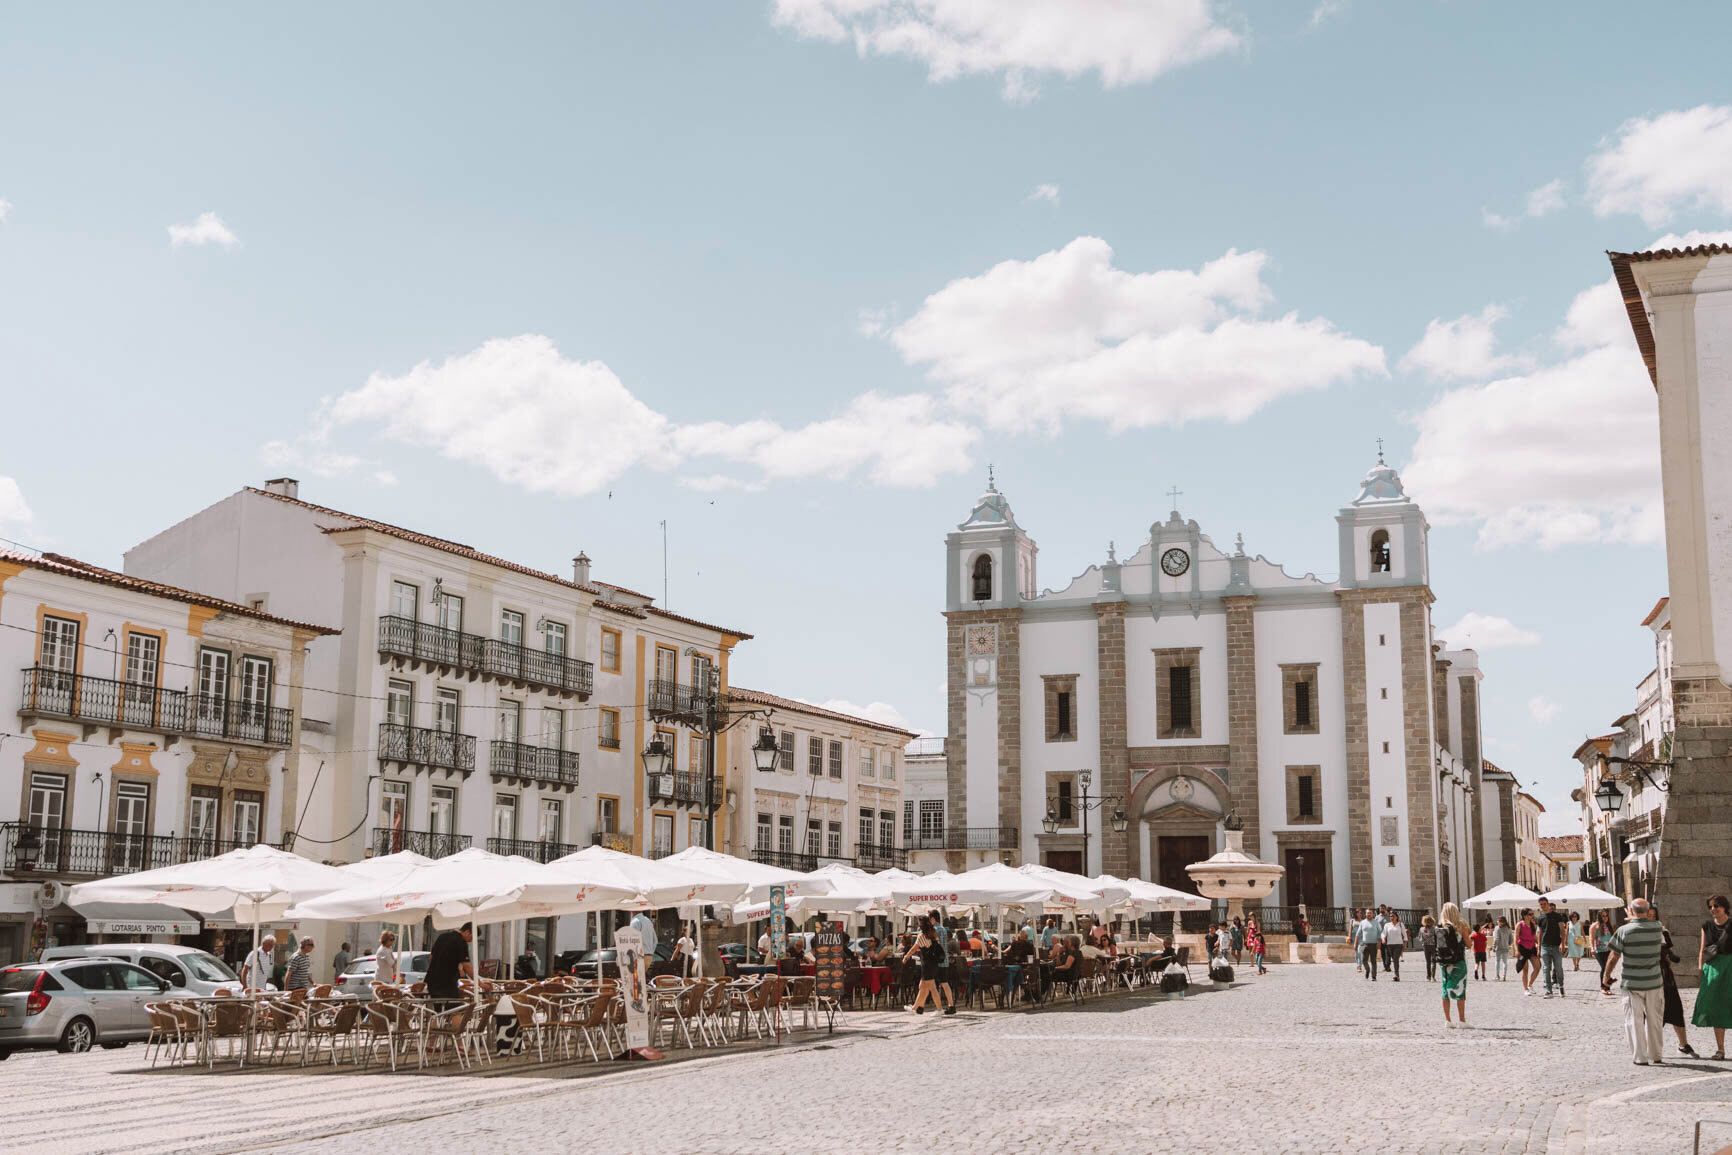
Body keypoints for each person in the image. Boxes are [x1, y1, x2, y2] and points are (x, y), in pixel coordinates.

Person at [1602, 898, 1666, 1065]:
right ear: (1648, 910)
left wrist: (1606, 975)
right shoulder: (1658, 927)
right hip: (1654, 981)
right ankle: (1656, 1054)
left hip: (1632, 983)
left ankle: (1640, 1057)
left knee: (1634, 1020)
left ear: (1631, 911)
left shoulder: (1624, 931)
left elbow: (1613, 955)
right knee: (1655, 1019)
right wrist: (1636, 917)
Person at [1653, 904, 1698, 1059]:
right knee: (1652, 1014)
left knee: (1676, 1008)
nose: (1651, 917)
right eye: (1648, 914)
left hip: (1666, 977)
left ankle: (1683, 1044)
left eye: (1653, 914)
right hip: (1650, 978)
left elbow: (1669, 952)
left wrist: (1669, 956)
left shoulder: (1663, 931)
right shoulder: (1640, 932)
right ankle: (1650, 1046)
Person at [1694, 894, 1732, 1060]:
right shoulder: (1706, 925)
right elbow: (1702, 949)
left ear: (1724, 907)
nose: (1713, 909)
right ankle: (1720, 1049)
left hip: (1730, 966)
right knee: (1716, 1008)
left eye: (1716, 906)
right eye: (1710, 906)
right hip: (1712, 969)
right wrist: (1701, 970)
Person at [903, 917, 953, 1015]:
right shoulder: (933, 932)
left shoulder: (921, 935)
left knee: (932, 988)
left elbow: (914, 949)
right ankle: (915, 1007)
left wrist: (906, 957)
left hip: (927, 965)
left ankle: (939, 1009)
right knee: (922, 986)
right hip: (933, 964)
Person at [1436, 901, 1470, 1027]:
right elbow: (1469, 944)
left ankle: (1448, 1020)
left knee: (1445, 990)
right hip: (1458, 962)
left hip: (1444, 963)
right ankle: (1461, 1020)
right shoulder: (1460, 926)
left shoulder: (1440, 926)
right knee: (1460, 989)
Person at [426, 922, 474, 1009]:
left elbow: (431, 956)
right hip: (447, 983)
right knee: (455, 1011)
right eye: (471, 937)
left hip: (432, 980)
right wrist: (479, 983)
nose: (470, 941)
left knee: (438, 1013)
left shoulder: (442, 936)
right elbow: (466, 966)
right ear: (467, 932)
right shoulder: (461, 942)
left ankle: (437, 1022)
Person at [1537, 897, 1568, 998]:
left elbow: (1562, 930)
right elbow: (1540, 933)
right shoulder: (1540, 918)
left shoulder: (1557, 916)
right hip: (1545, 946)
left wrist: (1562, 944)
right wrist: (1538, 947)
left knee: (1558, 968)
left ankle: (1561, 986)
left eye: (1544, 904)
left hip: (1556, 946)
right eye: (1541, 904)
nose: (1543, 906)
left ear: (1548, 904)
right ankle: (1548, 990)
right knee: (1546, 968)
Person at [1592, 910, 1616, 995]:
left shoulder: (1609, 925)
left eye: (1606, 916)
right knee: (1604, 967)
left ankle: (1607, 987)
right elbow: (1592, 938)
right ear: (1599, 916)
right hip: (1599, 950)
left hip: (1609, 950)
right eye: (1603, 916)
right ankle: (1603, 987)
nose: (1605, 917)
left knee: (1608, 968)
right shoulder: (1595, 926)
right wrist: (1592, 948)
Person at [1516, 911, 1539, 995]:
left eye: (1532, 914)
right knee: (1525, 969)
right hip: (1522, 949)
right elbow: (1515, 938)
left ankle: (1530, 985)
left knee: (1537, 967)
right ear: (1524, 916)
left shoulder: (1532, 924)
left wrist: (1539, 944)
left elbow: (1535, 937)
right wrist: (1516, 950)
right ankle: (1525, 989)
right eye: (1530, 914)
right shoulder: (1520, 925)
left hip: (1532, 948)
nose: (1532, 916)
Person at [1356, 911, 1382, 981]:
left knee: (1373, 961)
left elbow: (1380, 932)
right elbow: (1358, 934)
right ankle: (1367, 970)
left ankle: (1374, 976)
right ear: (1365, 914)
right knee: (1364, 960)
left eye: (1370, 913)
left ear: (1373, 914)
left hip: (1374, 945)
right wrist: (1355, 944)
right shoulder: (1362, 922)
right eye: (1367, 913)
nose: (1369, 914)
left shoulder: (1376, 922)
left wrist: (1379, 942)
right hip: (1365, 944)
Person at [1382, 913, 1408, 981]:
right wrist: (1383, 939)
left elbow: (1405, 935)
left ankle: (1396, 975)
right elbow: (1383, 933)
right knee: (1394, 959)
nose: (1392, 917)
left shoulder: (1400, 924)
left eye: (1393, 916)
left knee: (1395, 959)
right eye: (1390, 916)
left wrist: (1405, 944)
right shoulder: (1387, 925)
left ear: (1396, 917)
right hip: (1390, 945)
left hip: (1398, 945)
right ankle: (1396, 974)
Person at [1493, 917, 1514, 982]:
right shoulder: (1508, 928)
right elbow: (1511, 938)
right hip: (1505, 947)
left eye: (1498, 921)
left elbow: (1496, 939)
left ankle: (1497, 975)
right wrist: (1508, 944)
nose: (1497, 922)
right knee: (1505, 962)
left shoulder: (1497, 928)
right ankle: (1504, 976)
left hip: (1498, 947)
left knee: (1497, 961)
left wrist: (1494, 946)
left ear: (1501, 922)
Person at [1419, 915, 1439, 982]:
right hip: (1433, 945)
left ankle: (1428, 976)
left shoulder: (1421, 929)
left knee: (1428, 962)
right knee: (1434, 961)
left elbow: (1420, 938)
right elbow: (1437, 937)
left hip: (1425, 946)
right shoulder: (1435, 928)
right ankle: (1433, 977)